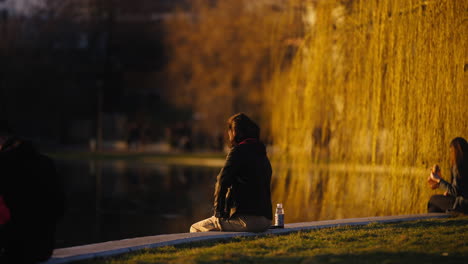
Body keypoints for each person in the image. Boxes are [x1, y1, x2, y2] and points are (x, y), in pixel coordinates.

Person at [190, 113, 272, 232]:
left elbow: (222, 181)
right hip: (266, 221)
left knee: (195, 228)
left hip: (246, 221)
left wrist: (218, 213)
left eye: (229, 131)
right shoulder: (262, 153)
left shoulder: (238, 151)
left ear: (235, 132)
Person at [0, 122, 65, 263]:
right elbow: (60, 208)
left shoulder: (4, 164)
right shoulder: (47, 163)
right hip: (43, 249)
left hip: (13, 250)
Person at [427, 137, 468, 213]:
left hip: (462, 204)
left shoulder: (458, 166)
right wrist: (448, 191)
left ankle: (434, 223)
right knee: (437, 204)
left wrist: (438, 180)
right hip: (463, 203)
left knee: (432, 200)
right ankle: (444, 217)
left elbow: (455, 191)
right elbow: (460, 188)